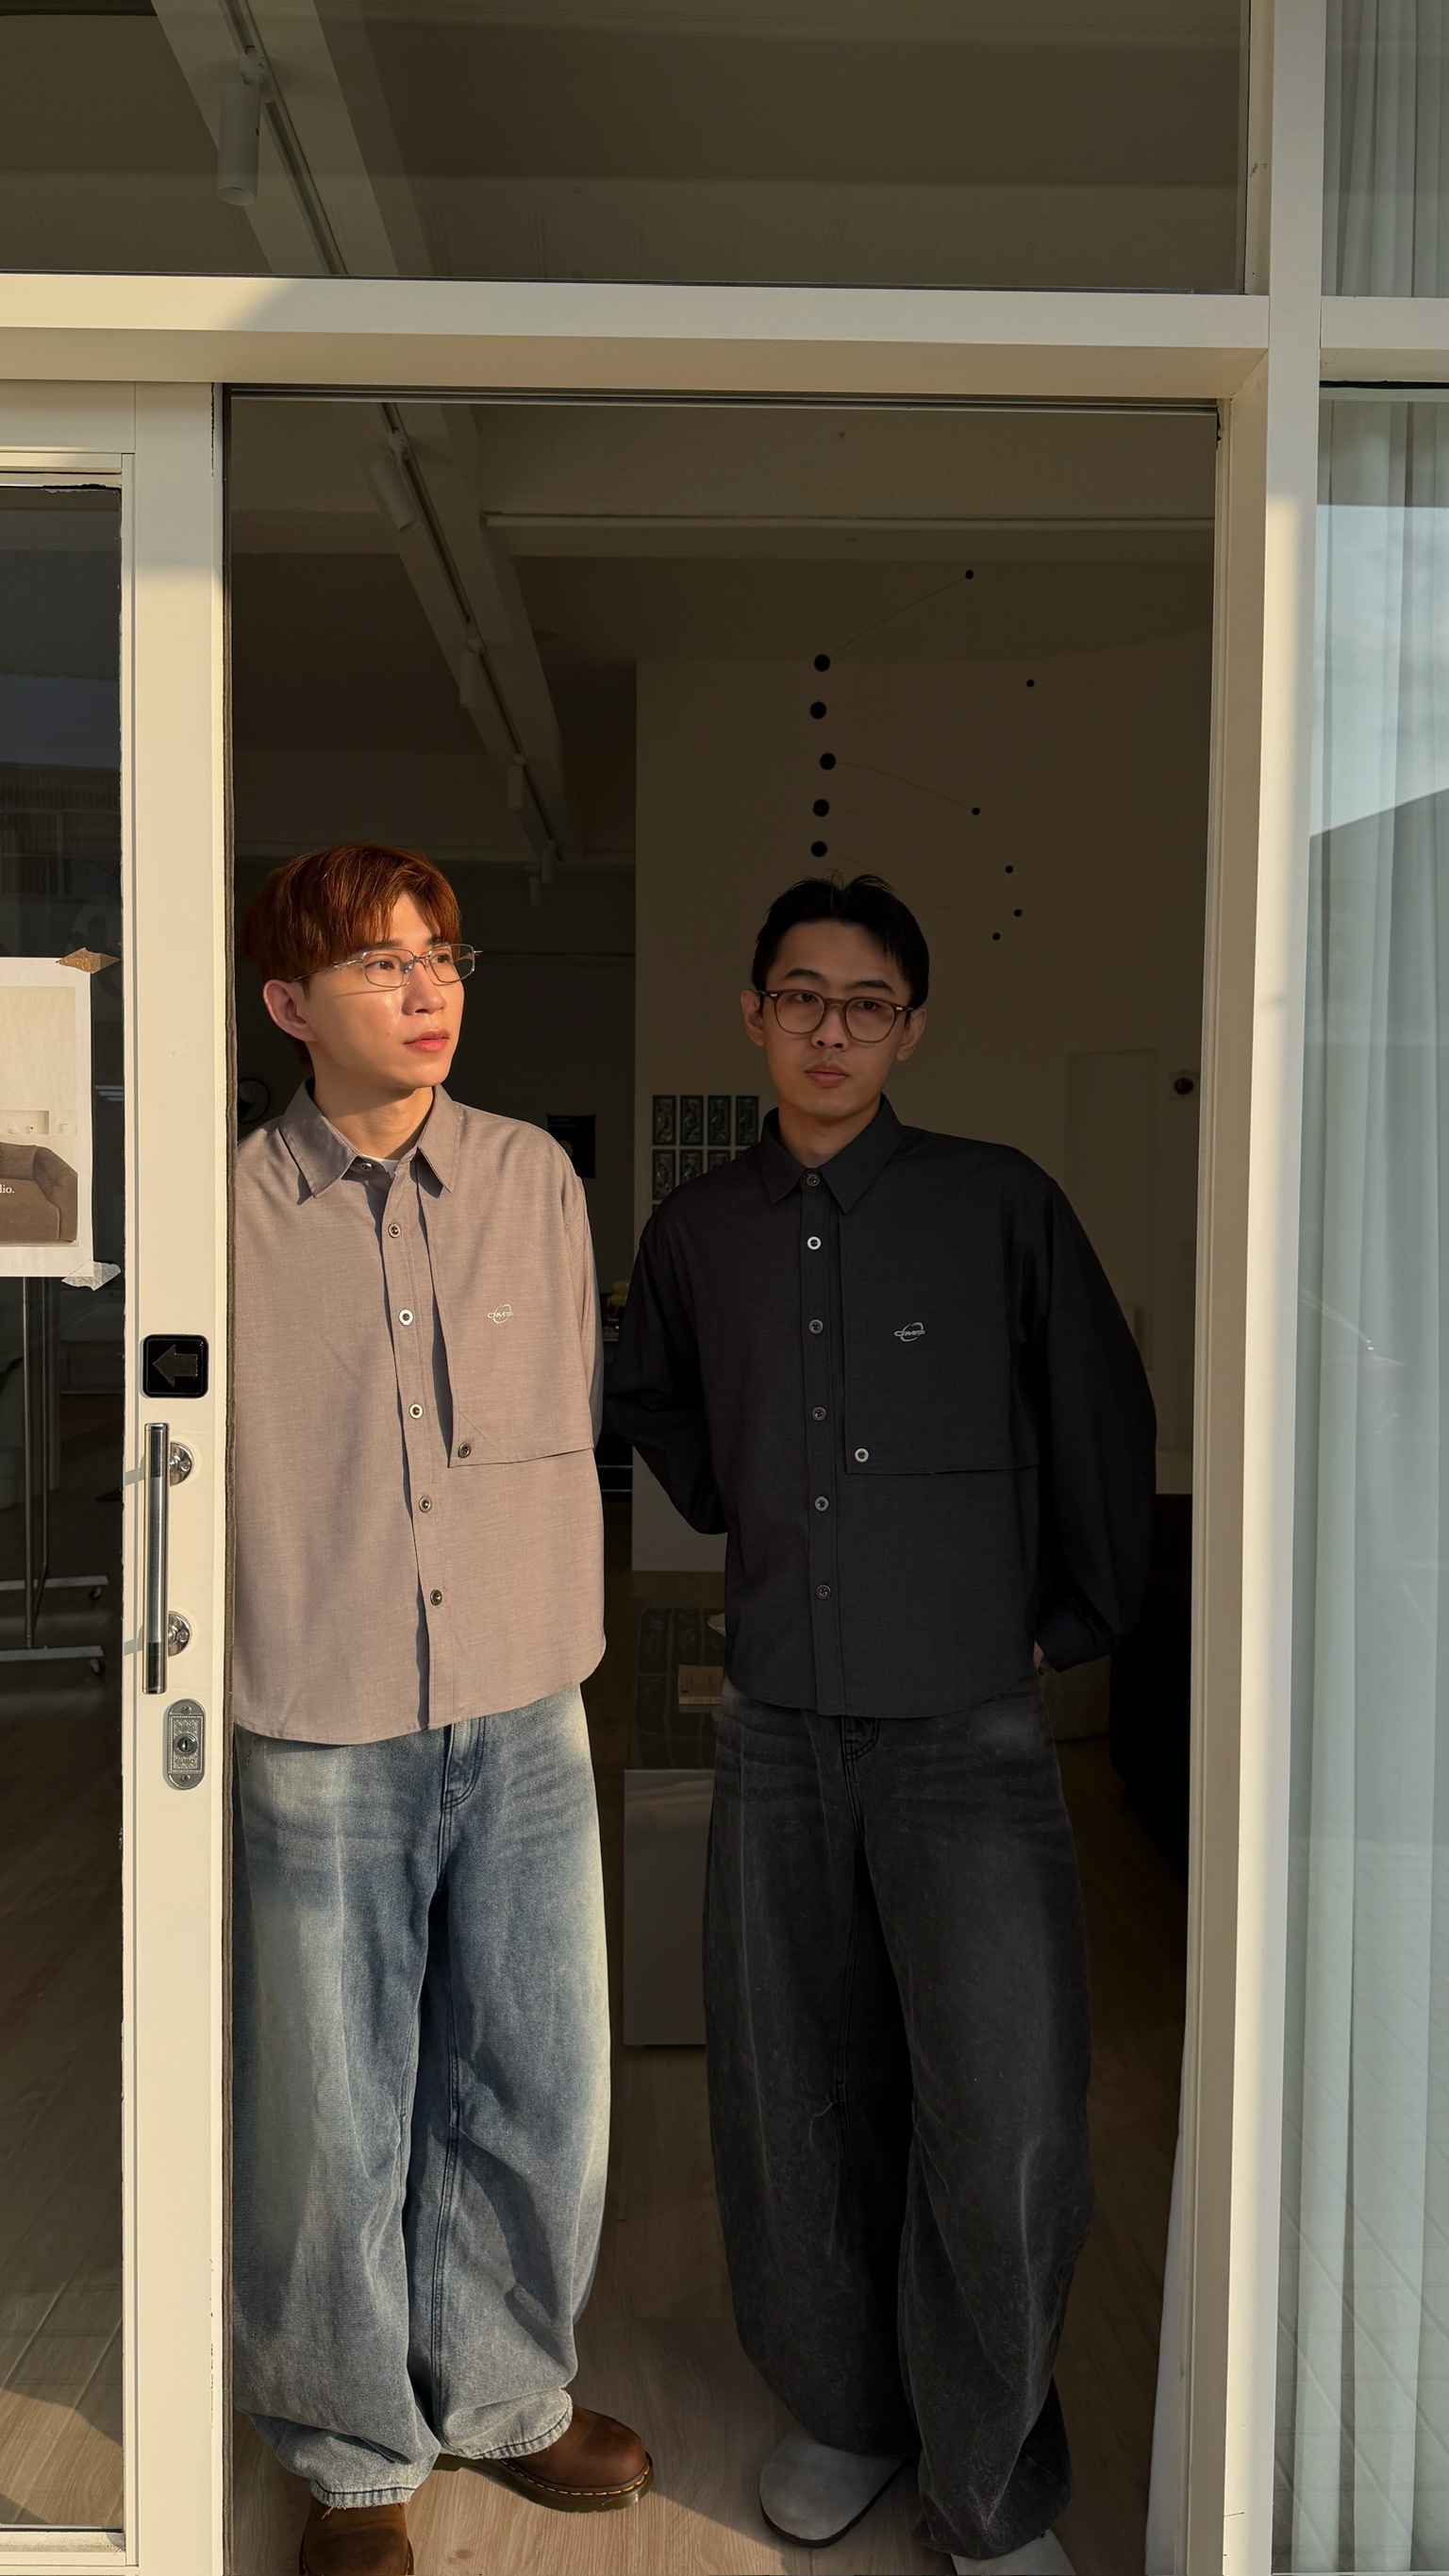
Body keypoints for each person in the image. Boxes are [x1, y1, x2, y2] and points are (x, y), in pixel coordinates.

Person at [608, 873, 1155, 2576]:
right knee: (792, 2101)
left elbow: (1100, 1412)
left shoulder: (999, 1203)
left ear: (910, 1027)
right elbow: (658, 1402)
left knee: (1004, 2118)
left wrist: (1071, 1621)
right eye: (800, 995)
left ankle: (985, 2481)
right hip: (775, 1730)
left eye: (864, 1002)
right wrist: (751, 1505)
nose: (829, 1028)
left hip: (967, 1738)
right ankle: (847, 2409)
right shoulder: (697, 1230)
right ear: (753, 1012)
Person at [231, 844, 650, 2576]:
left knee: (538, 2064)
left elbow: (572, 1395)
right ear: (289, 1002)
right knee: (331, 2100)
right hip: (321, 1700)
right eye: (381, 962)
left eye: (443, 957)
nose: (428, 989)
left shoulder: (534, 1177)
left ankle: (502, 2385)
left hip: (525, 1687)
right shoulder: (228, 1209)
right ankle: (348, 2451)